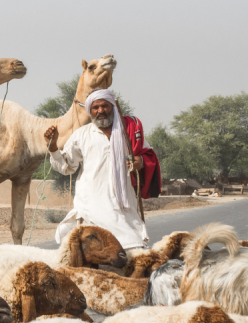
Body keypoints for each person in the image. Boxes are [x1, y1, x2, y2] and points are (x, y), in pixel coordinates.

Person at [43, 89, 161, 250]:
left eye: (104, 106)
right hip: (91, 204)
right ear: (90, 111)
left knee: (132, 248)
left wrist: (140, 162)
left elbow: (148, 156)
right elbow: (67, 166)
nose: (100, 111)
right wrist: (54, 147)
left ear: (112, 106)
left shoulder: (128, 132)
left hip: (122, 205)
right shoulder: (82, 135)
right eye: (95, 108)